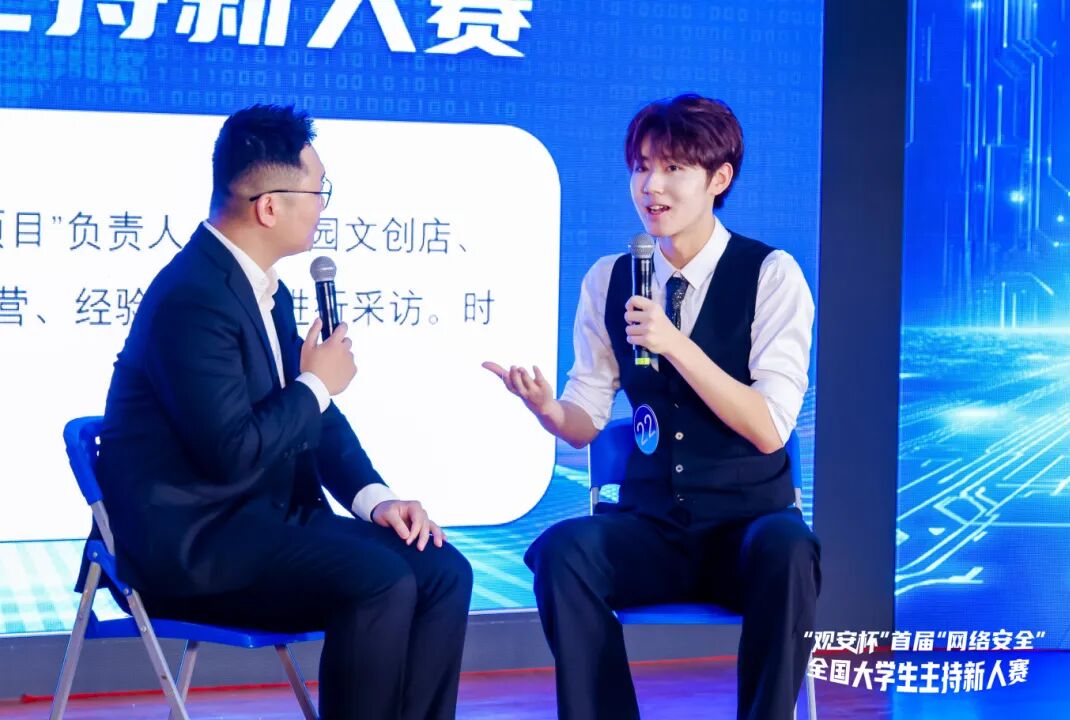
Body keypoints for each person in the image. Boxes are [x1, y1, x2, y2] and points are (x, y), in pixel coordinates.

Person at [88, 104, 473, 720]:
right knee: (379, 579)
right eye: (319, 193)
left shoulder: (267, 289)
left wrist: (376, 499)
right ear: (269, 207)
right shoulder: (193, 299)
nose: (323, 208)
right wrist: (316, 384)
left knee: (442, 569)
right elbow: (233, 450)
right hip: (198, 546)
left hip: (267, 522)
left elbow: (314, 418)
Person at [483, 93, 820, 720]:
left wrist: (674, 343)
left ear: (719, 179)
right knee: (563, 552)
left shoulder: (772, 275)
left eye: (673, 169)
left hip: (747, 527)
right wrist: (546, 409)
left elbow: (770, 427)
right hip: (653, 527)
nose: (651, 186)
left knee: (790, 550)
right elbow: (584, 420)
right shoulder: (610, 279)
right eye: (641, 167)